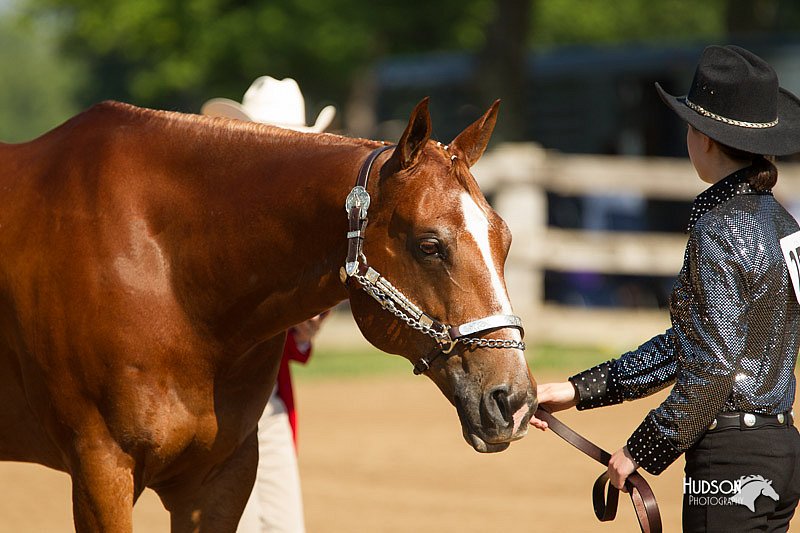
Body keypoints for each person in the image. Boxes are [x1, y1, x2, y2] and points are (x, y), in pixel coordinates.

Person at [531, 45, 800, 532]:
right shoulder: (783, 224)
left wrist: (642, 448)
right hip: (780, 452)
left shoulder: (719, 227)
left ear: (706, 139)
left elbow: (714, 367)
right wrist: (577, 390)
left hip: (729, 460)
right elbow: (699, 347)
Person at [202, 76, 335, 533]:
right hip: (216, 400)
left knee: (282, 526)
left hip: (264, 393)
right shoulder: (217, 213)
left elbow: (291, 337)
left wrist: (302, 327)